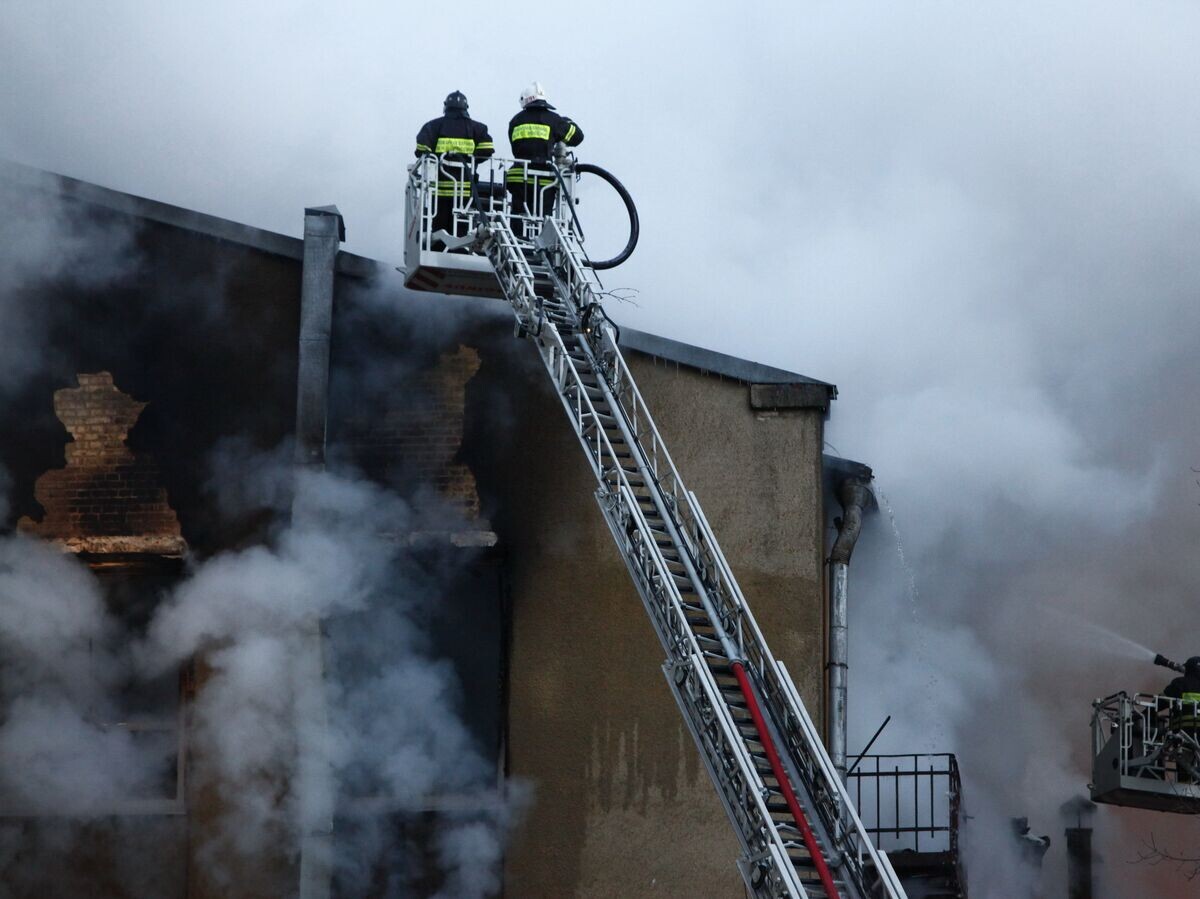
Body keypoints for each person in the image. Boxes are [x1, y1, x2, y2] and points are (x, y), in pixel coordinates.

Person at [414, 91, 495, 249]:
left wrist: (437, 158)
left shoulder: (433, 126)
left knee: (439, 226)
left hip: (440, 189)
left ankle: (438, 252)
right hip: (465, 191)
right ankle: (461, 251)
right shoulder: (477, 128)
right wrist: (471, 159)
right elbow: (488, 150)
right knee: (462, 227)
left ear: (446, 107)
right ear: (466, 108)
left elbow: (421, 150)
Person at [506, 82, 583, 238]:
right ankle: (542, 249)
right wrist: (568, 122)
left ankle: (519, 244)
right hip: (544, 180)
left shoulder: (515, 121)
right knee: (543, 218)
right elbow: (577, 137)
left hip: (519, 177)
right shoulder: (554, 120)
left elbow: (515, 148)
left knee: (518, 217)